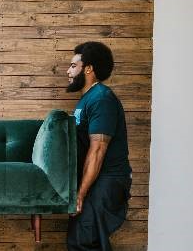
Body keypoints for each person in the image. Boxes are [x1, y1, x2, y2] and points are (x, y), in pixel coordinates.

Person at [65, 41, 132, 251]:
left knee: (84, 241)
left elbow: (98, 150)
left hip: (108, 180)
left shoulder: (102, 99)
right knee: (84, 241)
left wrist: (80, 194)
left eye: (73, 66)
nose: (68, 71)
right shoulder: (87, 99)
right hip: (97, 180)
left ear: (89, 69)